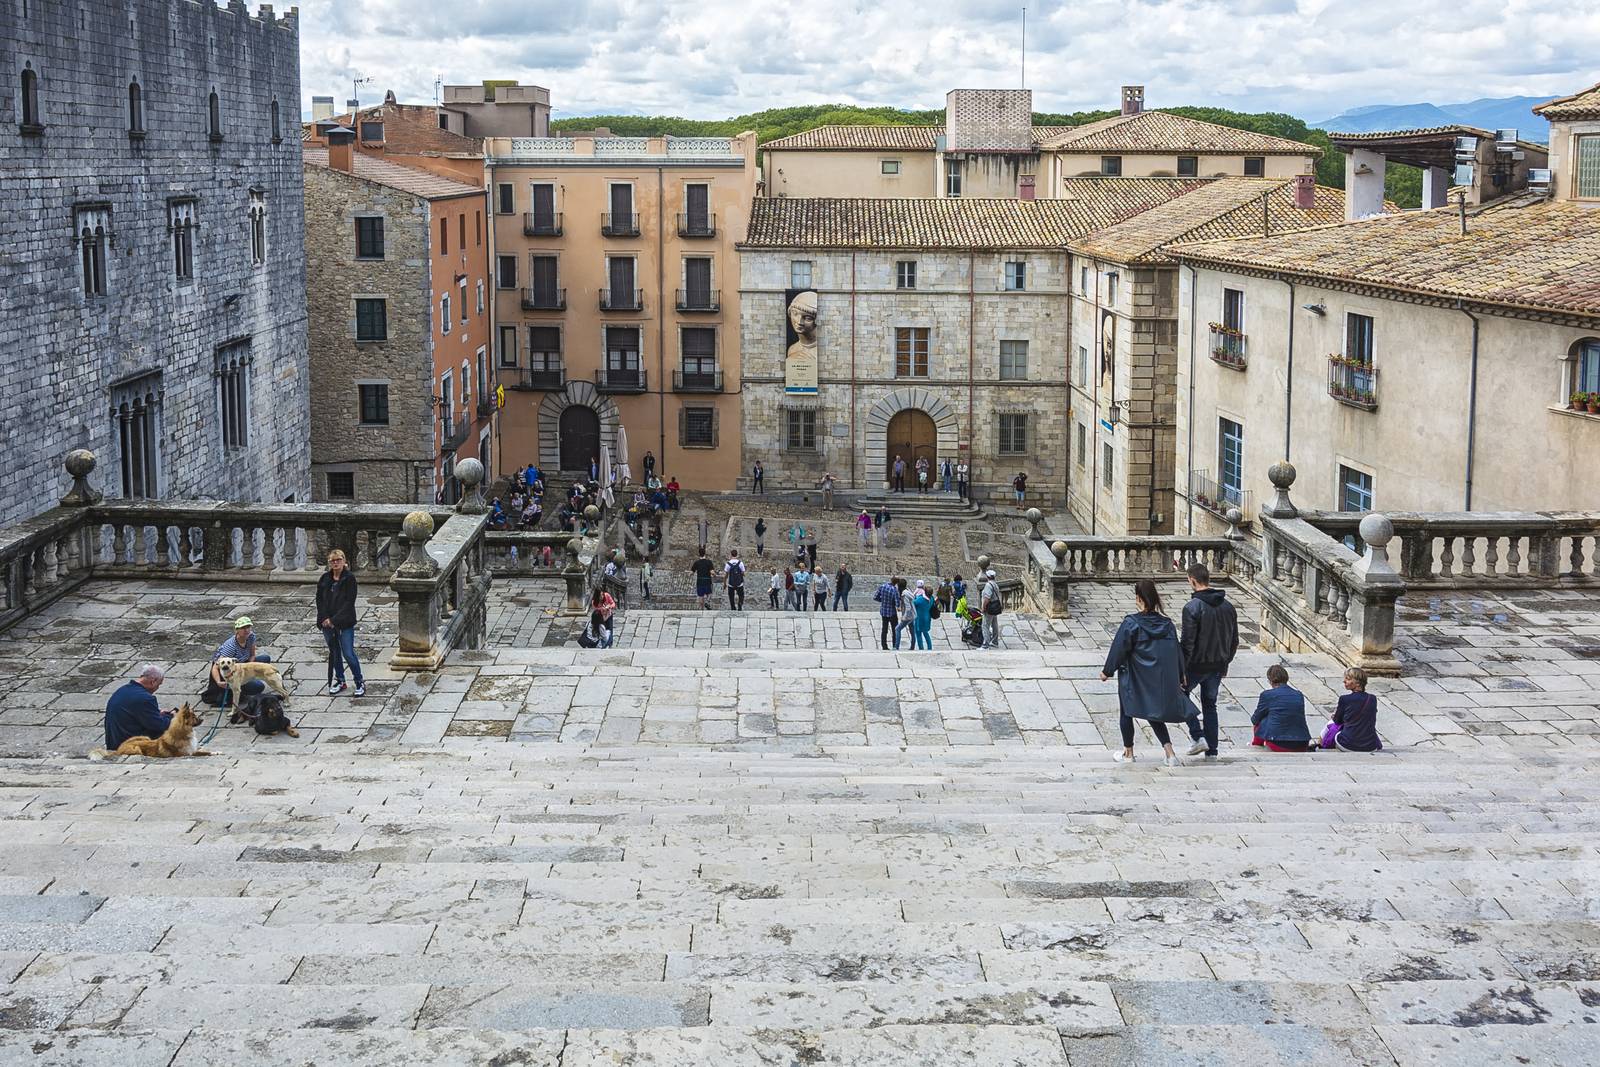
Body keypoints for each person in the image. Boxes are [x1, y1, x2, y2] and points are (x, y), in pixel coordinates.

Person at [1102, 580, 1193, 767]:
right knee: (1153, 712)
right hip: (1157, 677)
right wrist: (1181, 672)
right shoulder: (1167, 624)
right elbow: (1176, 650)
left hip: (1134, 676)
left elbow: (1119, 648)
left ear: (1138, 598)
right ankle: (1170, 753)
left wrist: (1107, 671)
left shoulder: (1131, 623)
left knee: (1126, 712)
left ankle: (1129, 752)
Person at [1179, 563, 1238, 758]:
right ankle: (1212, 749)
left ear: (1192, 581)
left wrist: (1181, 671)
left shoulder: (1192, 607)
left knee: (1178, 694)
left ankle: (1197, 735)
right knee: (1210, 705)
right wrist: (1226, 662)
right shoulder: (1228, 607)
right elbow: (1234, 640)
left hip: (1195, 665)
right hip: (1217, 665)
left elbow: (1187, 643)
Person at [316, 549, 365, 697]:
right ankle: (340, 680)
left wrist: (334, 620)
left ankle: (359, 681)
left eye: (338, 560)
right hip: (327, 623)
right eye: (332, 561)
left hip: (344, 623)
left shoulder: (349, 579)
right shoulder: (325, 578)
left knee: (348, 653)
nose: (335, 563)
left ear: (344, 561)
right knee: (335, 653)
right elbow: (320, 599)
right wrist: (324, 618)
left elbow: (349, 603)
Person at [204, 616, 271, 709]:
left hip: (243, 665)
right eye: (243, 628)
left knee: (265, 658)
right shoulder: (230, 646)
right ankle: (238, 690)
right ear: (237, 630)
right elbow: (216, 667)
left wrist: (249, 668)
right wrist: (219, 682)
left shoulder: (251, 636)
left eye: (248, 627)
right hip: (229, 672)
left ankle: (248, 680)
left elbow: (252, 655)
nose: (247, 630)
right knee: (259, 687)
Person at [105, 665, 173, 750]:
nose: (157, 688)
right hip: (128, 745)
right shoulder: (145, 698)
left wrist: (157, 714)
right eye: (158, 685)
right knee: (175, 729)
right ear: (153, 682)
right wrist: (172, 717)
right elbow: (159, 725)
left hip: (115, 742)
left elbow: (138, 713)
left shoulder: (122, 690)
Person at [1251, 664, 1313, 751]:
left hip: (1278, 743)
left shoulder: (1267, 695)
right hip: (1302, 743)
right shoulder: (1298, 694)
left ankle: (1257, 745)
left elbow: (1255, 719)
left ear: (1270, 681)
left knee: (1262, 718)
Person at [1328, 667, 1382, 752]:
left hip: (1347, 744)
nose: (1344, 681)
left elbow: (1337, 721)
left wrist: (1334, 716)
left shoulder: (1344, 699)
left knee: (1330, 724)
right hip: (1371, 746)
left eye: (1348, 679)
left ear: (1358, 683)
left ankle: (1321, 745)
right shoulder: (1372, 698)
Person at [978, 570, 1003, 649]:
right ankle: (995, 642)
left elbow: (987, 598)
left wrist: (983, 608)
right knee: (994, 625)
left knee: (985, 625)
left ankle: (986, 644)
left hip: (989, 608)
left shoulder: (988, 585)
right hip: (994, 607)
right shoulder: (995, 584)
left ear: (987, 577)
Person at [874, 576, 899, 651]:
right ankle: (895, 645)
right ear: (896, 583)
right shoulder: (894, 590)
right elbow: (897, 603)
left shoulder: (883, 586)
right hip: (892, 612)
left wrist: (883, 600)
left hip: (883, 611)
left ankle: (884, 646)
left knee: (884, 629)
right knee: (895, 629)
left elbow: (875, 597)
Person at [911, 579, 934, 650]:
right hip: (927, 618)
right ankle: (929, 647)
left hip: (919, 619)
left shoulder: (920, 599)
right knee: (926, 633)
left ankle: (921, 648)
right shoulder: (932, 598)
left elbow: (913, 603)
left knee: (918, 634)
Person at [894, 578, 914, 650]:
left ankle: (896, 647)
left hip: (908, 616)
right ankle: (912, 647)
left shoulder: (904, 595)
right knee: (912, 631)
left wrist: (904, 617)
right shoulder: (908, 591)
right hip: (913, 615)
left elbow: (908, 607)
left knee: (897, 629)